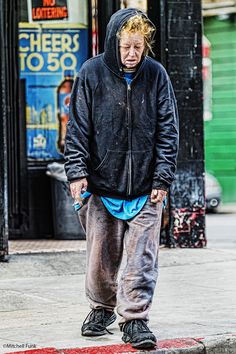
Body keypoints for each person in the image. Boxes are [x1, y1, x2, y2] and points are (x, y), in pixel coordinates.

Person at [64, 8, 179, 350]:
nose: (132, 54)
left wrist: (162, 178)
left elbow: (168, 132)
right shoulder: (91, 73)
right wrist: (77, 173)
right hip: (101, 185)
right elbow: (78, 128)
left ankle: (136, 319)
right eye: (126, 47)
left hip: (147, 187)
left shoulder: (156, 75)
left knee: (141, 258)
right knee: (101, 258)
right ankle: (101, 309)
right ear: (114, 43)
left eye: (138, 47)